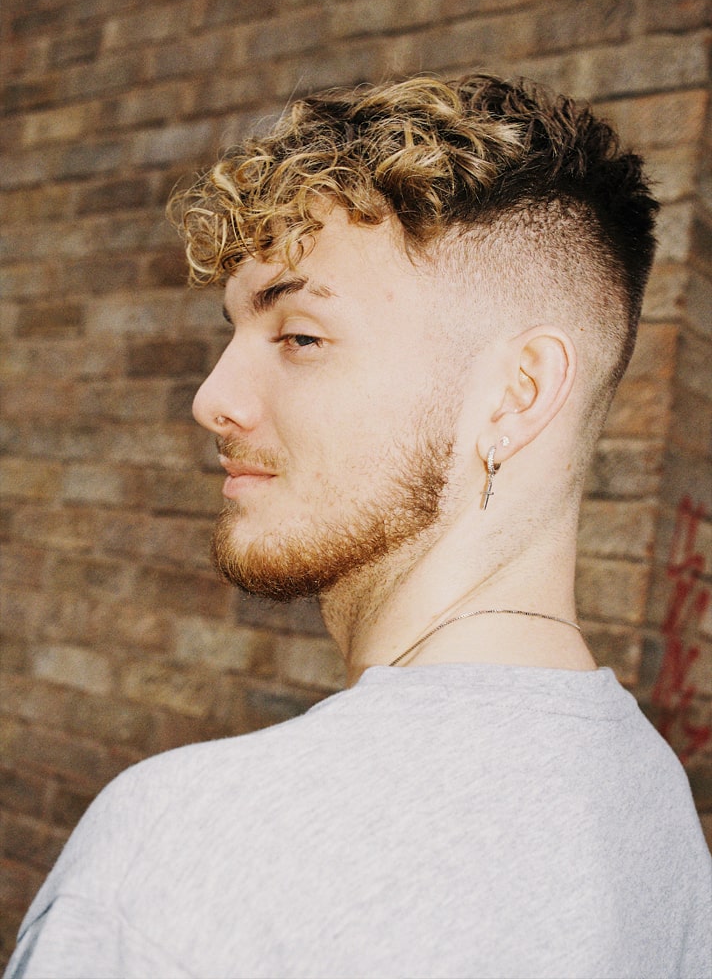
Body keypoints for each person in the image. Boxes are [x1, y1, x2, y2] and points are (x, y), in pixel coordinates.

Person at [6, 73, 711, 979]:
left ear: (517, 394)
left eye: (300, 337)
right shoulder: (650, 803)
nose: (212, 399)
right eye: (233, 333)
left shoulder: (189, 851)